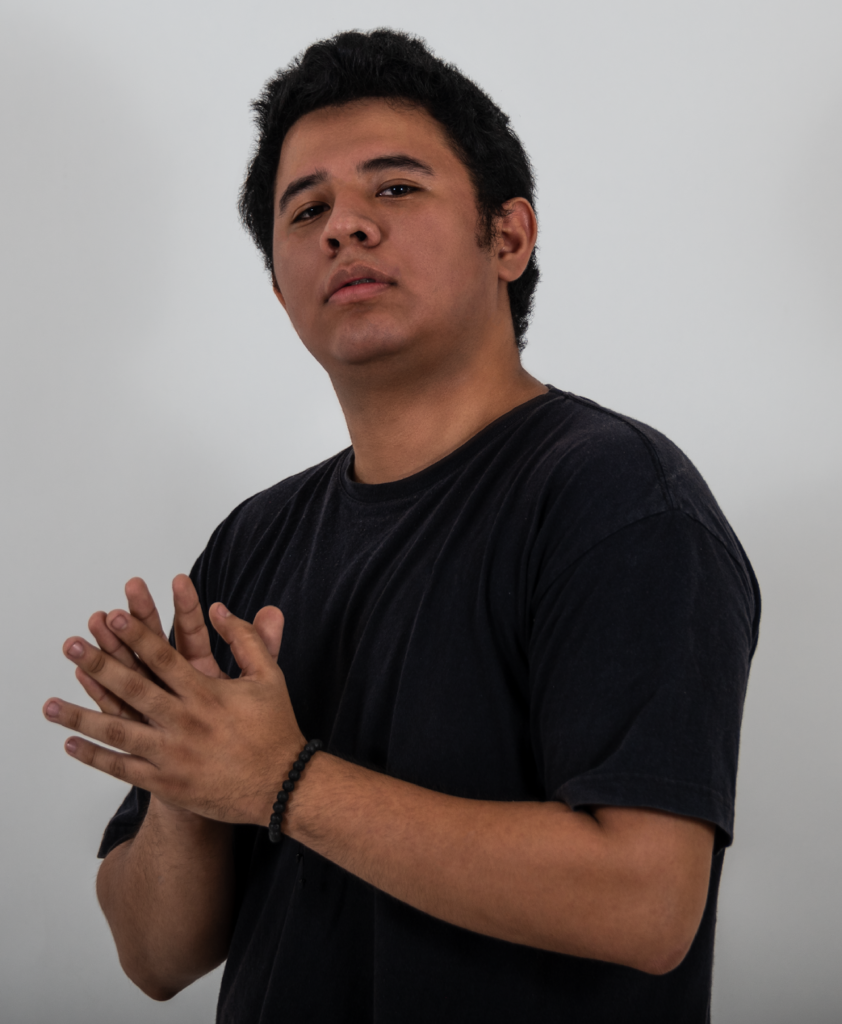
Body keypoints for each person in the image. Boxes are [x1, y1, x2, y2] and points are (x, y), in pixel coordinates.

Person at [43, 28, 760, 1024]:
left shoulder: (617, 498)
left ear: (508, 238)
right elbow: (155, 955)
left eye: (394, 187)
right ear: (280, 287)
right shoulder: (251, 539)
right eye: (307, 210)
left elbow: (645, 903)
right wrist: (190, 778)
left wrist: (281, 780)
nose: (344, 226)